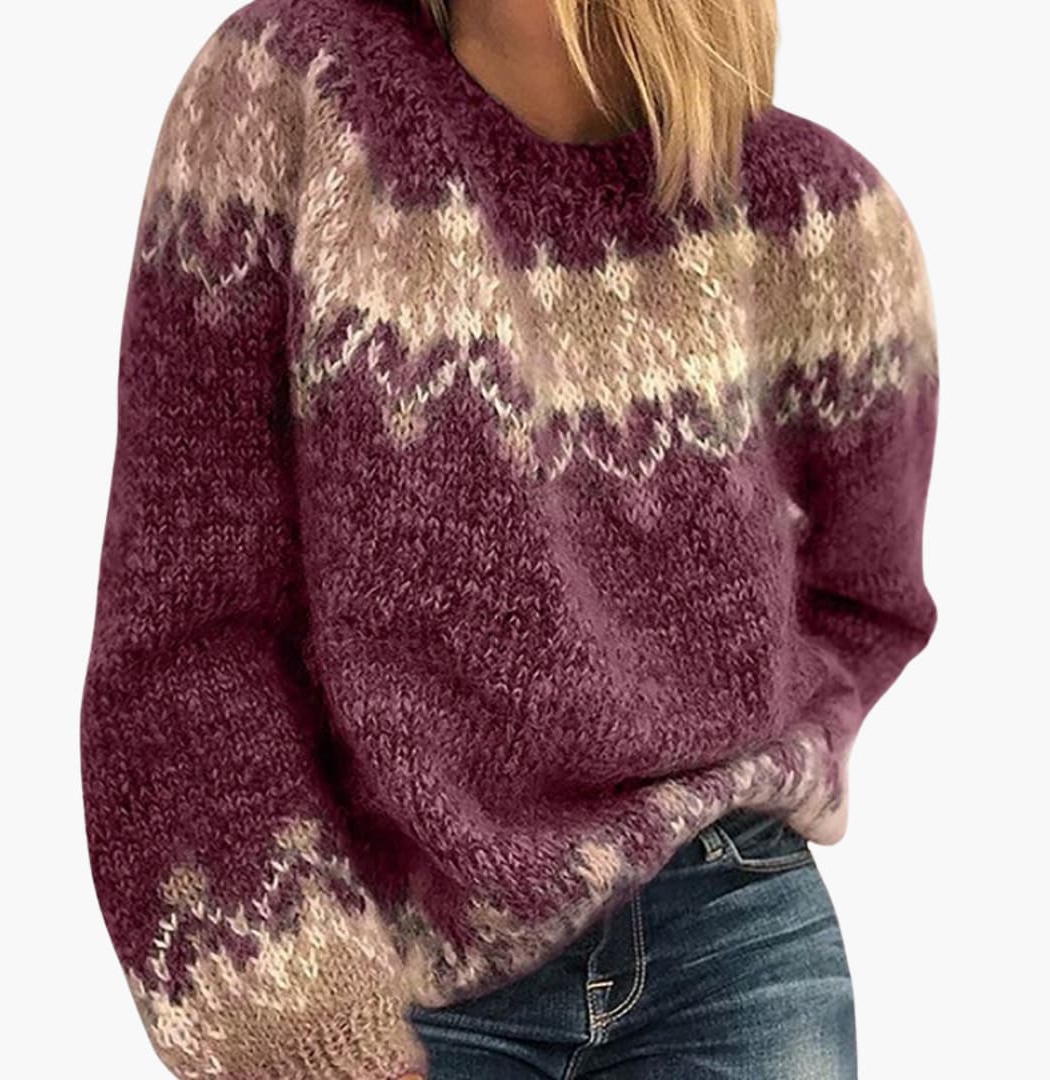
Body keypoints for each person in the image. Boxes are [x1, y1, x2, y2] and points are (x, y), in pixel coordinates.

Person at [79, 1, 939, 1077]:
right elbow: (188, 629)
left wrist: (739, 719)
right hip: (397, 971)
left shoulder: (816, 213)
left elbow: (864, 596)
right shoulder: (297, 90)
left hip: (733, 934)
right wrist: (298, 1020)